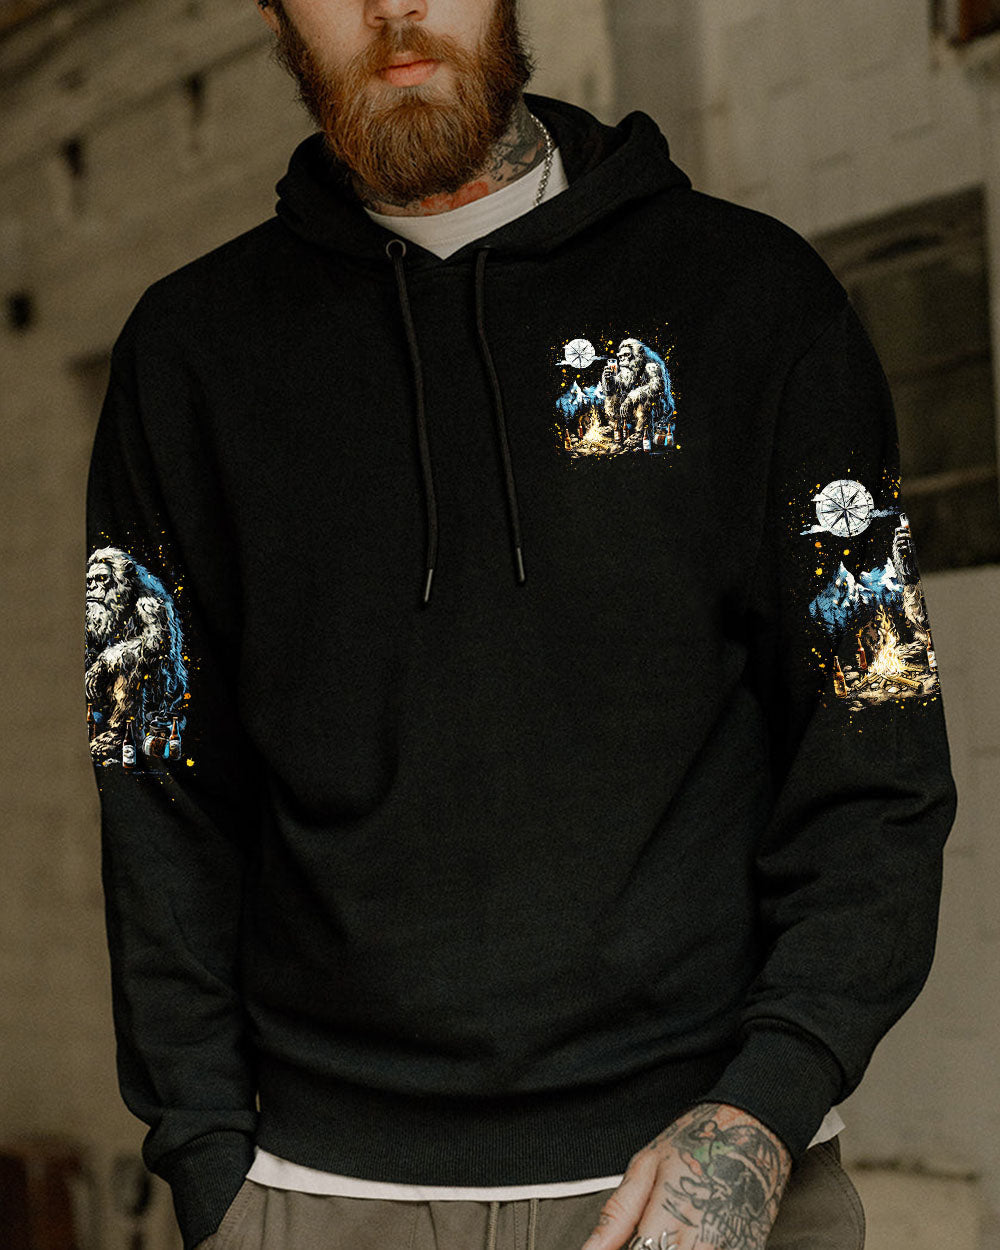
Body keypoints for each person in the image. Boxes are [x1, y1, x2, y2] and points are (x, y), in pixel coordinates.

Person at [83, 1, 957, 1248]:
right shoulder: (190, 356)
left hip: (708, 1173)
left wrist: (768, 1101)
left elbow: (873, 742)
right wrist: (212, 1166)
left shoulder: (752, 299)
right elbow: (154, 785)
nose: (393, 10)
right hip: (317, 1193)